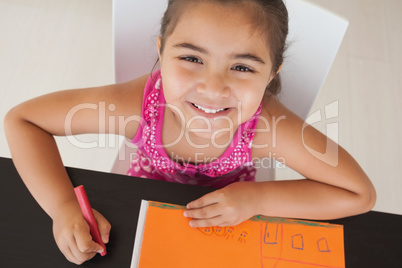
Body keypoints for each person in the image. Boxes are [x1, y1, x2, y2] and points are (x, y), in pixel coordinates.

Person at [4, 0, 376, 265]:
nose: (213, 88)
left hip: (233, 220)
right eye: (192, 58)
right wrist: (61, 207)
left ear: (272, 74)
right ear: (162, 52)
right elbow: (24, 121)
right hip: (140, 206)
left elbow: (358, 193)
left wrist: (257, 199)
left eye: (243, 67)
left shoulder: (267, 128)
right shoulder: (136, 106)